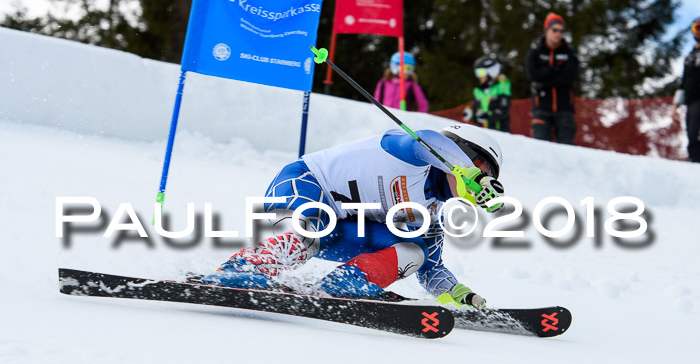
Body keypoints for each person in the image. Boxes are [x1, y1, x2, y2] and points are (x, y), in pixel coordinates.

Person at [200, 124, 505, 309]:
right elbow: (425, 139)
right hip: (301, 186)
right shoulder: (410, 154)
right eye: (481, 166)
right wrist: (468, 171)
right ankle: (243, 268)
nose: (481, 179)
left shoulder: (431, 213)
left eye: (489, 176)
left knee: (416, 251)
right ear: (459, 152)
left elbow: (432, 268)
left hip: (341, 227)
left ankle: (346, 283)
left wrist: (459, 294)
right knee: (315, 227)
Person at [526, 12, 579, 144]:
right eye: (555, 30)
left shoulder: (570, 53)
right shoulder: (535, 53)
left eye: (561, 31)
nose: (558, 34)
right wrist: (554, 69)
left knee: (567, 149)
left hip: (565, 108)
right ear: (546, 30)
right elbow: (533, 75)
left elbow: (569, 76)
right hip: (541, 108)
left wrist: (544, 81)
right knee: (541, 148)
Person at [672, 17, 700, 163]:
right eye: (697, 27)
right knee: (692, 130)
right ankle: (696, 161)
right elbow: (683, 81)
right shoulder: (689, 56)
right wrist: (676, 104)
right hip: (692, 99)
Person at [472, 56, 512, 132]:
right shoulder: (477, 90)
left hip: (499, 131)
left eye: (481, 73)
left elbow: (503, 110)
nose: (479, 77)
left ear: (492, 72)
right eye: (477, 73)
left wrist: (488, 116)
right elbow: (475, 110)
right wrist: (470, 114)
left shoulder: (502, 87)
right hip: (482, 131)